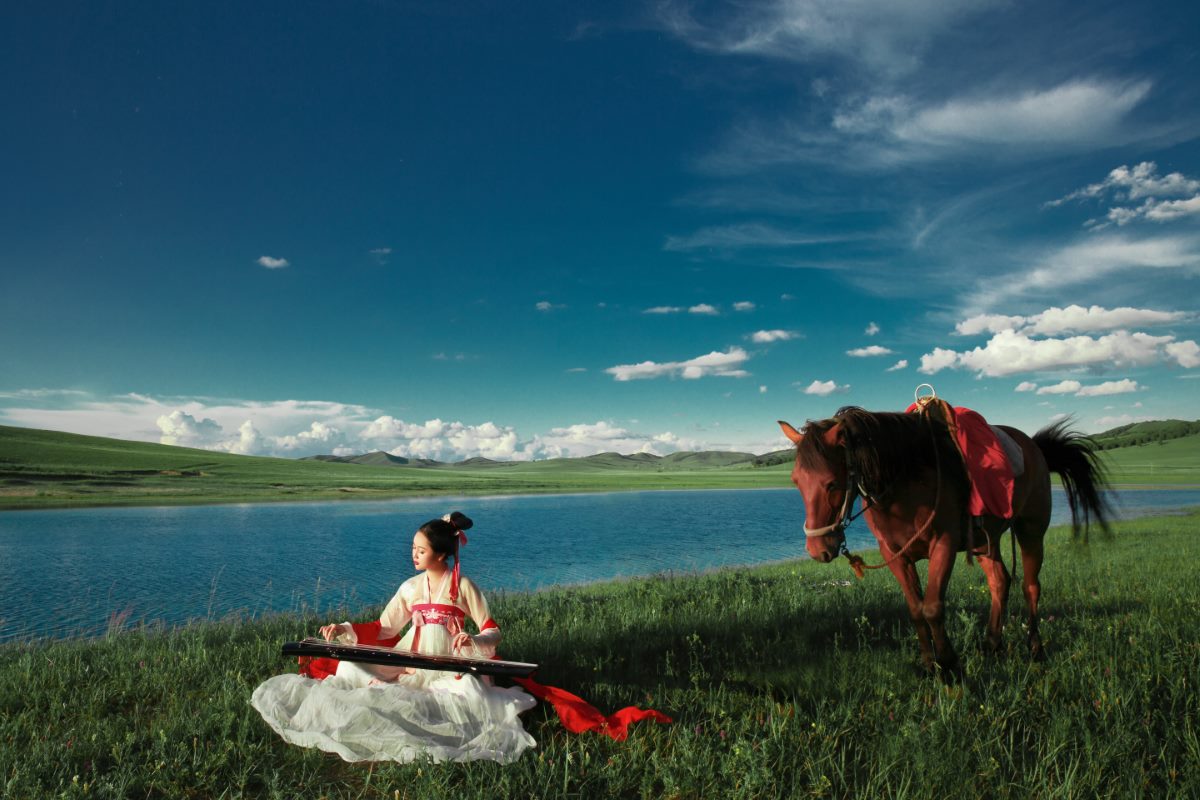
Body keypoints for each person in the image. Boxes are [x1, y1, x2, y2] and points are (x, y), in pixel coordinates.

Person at [250, 512, 538, 764]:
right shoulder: (410, 587)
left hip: (448, 662)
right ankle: (388, 697)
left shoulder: (462, 585)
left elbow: (491, 629)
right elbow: (384, 627)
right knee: (349, 666)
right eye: (413, 548)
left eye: (421, 550)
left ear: (440, 555)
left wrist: (473, 640)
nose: (414, 555)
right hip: (409, 660)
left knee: (469, 691)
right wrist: (344, 629)